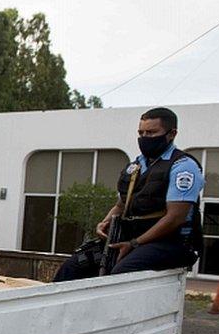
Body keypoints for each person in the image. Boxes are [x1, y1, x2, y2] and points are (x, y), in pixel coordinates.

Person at [53, 107, 203, 281]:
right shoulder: (137, 166)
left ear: (172, 134)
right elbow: (121, 205)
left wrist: (134, 244)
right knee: (73, 267)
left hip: (170, 243)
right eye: (141, 133)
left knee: (121, 273)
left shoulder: (183, 166)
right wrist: (105, 222)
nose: (145, 138)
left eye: (152, 133)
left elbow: (175, 218)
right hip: (132, 240)